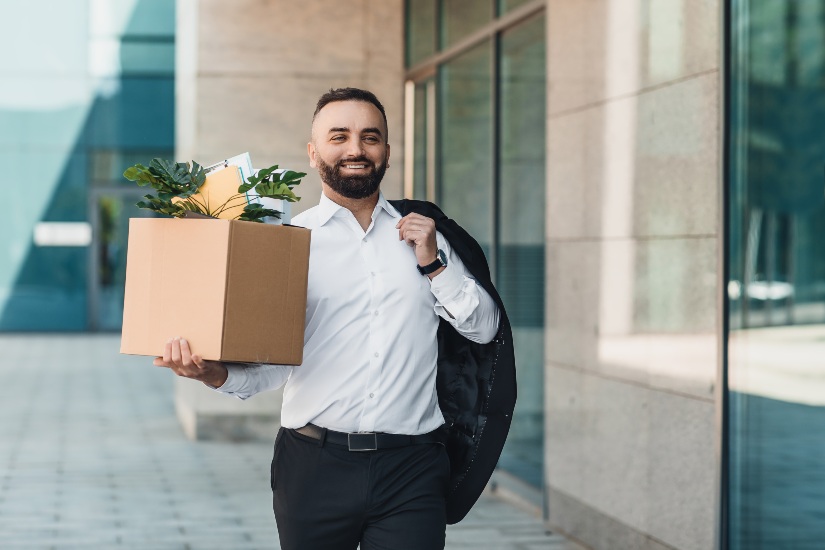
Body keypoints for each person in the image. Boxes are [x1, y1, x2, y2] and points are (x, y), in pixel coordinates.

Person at [154, 87, 516, 550]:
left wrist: (434, 265)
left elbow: (485, 329)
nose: (355, 149)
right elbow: (275, 366)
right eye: (338, 136)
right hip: (312, 466)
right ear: (313, 152)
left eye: (370, 137)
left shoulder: (428, 235)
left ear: (387, 151)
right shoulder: (288, 244)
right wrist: (212, 374)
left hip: (413, 468)